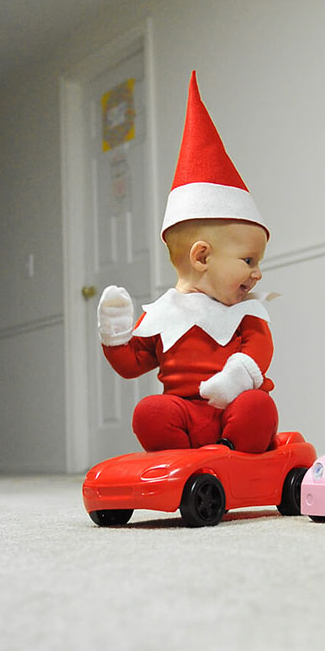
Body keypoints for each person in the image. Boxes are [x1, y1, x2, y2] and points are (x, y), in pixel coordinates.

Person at [97, 72, 278, 454]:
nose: (257, 273)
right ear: (202, 257)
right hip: (186, 415)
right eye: (248, 260)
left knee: (258, 405)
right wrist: (114, 335)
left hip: (232, 409)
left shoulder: (246, 314)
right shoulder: (163, 313)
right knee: (149, 410)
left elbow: (259, 351)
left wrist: (237, 377)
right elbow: (133, 364)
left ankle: (233, 452)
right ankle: (179, 456)